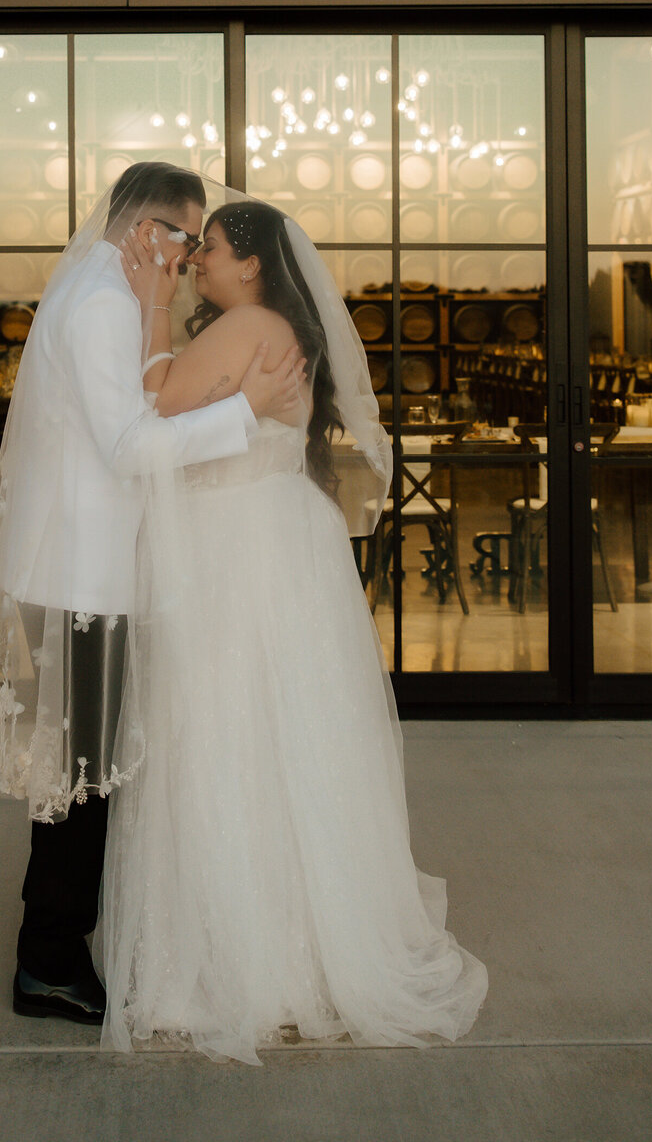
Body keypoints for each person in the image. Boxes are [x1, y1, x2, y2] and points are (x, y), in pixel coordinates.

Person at [100, 196, 488, 1063]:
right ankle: (311, 940)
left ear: (253, 266)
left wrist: (152, 307)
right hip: (283, 540)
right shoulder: (283, 327)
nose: (197, 257)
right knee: (295, 741)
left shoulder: (244, 326)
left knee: (227, 737)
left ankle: (243, 956)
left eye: (211, 248)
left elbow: (156, 406)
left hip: (238, 549)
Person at [0, 163, 306, 1027]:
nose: (189, 260)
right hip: (82, 574)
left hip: (80, 568)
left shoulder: (90, 287)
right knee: (79, 785)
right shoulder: (106, 303)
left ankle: (55, 950)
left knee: (80, 778)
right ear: (150, 231)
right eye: (186, 239)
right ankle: (47, 963)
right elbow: (126, 444)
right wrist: (246, 412)